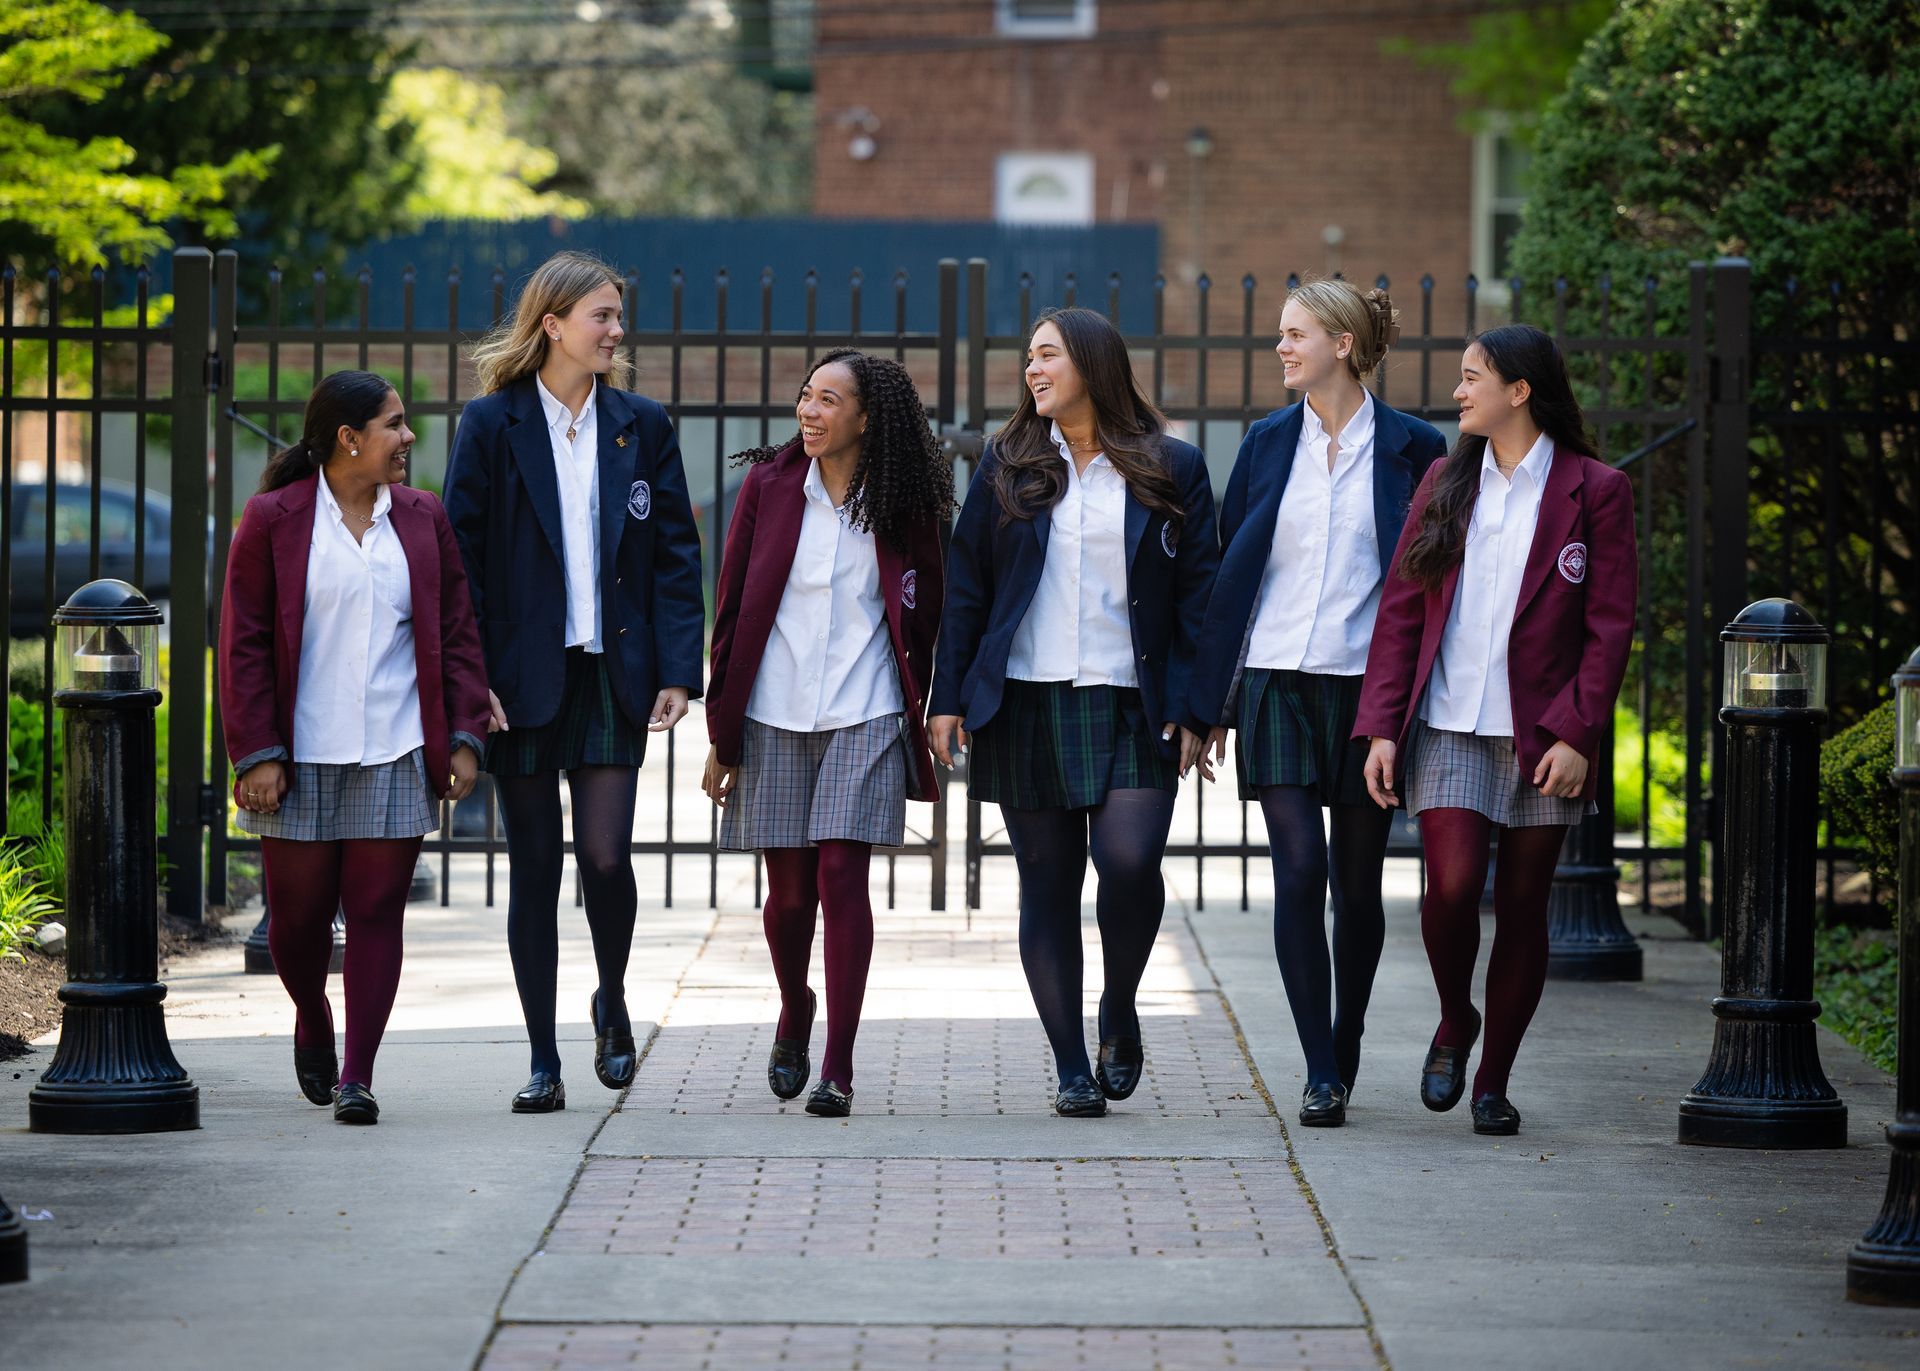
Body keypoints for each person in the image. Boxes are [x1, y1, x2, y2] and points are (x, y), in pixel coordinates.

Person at [929, 306, 1220, 1118]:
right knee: (1048, 884)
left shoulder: (1172, 466)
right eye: (1028, 356)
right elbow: (967, 588)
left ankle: (1118, 1005)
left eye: (1047, 354)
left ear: (1092, 362)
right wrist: (946, 696)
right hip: (1026, 698)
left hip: (1137, 701)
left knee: (1129, 863)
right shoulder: (1008, 460)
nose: (1032, 368)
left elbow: (1202, 593)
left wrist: (1202, 706)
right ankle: (1069, 1066)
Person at [1355, 323, 1636, 1137]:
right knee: (1447, 890)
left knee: (1521, 904)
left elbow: (1609, 626)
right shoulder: (1446, 479)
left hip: (1542, 736)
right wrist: (1381, 726)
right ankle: (1455, 1018)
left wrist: (1578, 734)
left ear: (1520, 391)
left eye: (1473, 376)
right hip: (1446, 722)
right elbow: (1402, 611)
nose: (1458, 390)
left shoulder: (1596, 490)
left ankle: (1493, 1079)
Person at [444, 251, 705, 1114]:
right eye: (602, 316)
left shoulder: (642, 423)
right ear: (552, 323)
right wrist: (472, 675)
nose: (616, 331)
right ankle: (543, 1057)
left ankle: (612, 995)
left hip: (612, 676)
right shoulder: (490, 425)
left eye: (619, 317)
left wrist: (680, 671)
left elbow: (675, 554)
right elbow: (462, 563)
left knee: (605, 857)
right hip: (521, 683)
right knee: (534, 870)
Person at [1188, 280, 1445, 1128]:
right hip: (1275, 680)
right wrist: (1208, 704)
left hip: (1367, 690)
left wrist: (1403, 706)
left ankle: (1349, 1033)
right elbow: (1229, 578)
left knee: (1358, 883)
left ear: (1342, 342)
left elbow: (1424, 585)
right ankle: (1319, 1068)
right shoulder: (1265, 443)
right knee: (1297, 870)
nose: (1281, 349)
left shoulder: (1414, 447)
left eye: (1295, 335)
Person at [220, 370, 490, 1125]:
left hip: (396, 749)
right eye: (394, 425)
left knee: (377, 913)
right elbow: (242, 643)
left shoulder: (421, 517)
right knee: (297, 924)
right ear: (349, 439)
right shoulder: (273, 519)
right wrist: (257, 753)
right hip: (298, 755)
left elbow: (457, 634)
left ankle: (357, 1075)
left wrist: (464, 737)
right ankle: (313, 1014)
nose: (407, 438)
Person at [701, 348, 952, 1118]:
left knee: (842, 874)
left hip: (867, 708)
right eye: (806, 396)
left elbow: (929, 608)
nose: (809, 411)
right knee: (788, 897)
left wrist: (931, 703)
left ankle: (837, 1063)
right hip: (774, 709)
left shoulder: (904, 502)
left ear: (867, 418)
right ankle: (794, 1004)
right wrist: (723, 730)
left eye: (829, 400)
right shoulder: (771, 487)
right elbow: (733, 605)